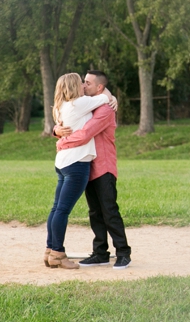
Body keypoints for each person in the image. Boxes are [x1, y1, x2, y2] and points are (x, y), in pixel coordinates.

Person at [54, 70, 132, 269]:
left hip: (104, 166)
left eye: (87, 83)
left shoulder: (106, 109)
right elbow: (67, 117)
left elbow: (85, 134)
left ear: (99, 87)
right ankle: (100, 253)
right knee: (95, 212)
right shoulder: (88, 104)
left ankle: (123, 252)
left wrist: (62, 142)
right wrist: (56, 130)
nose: (83, 85)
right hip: (87, 164)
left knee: (109, 211)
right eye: (82, 82)